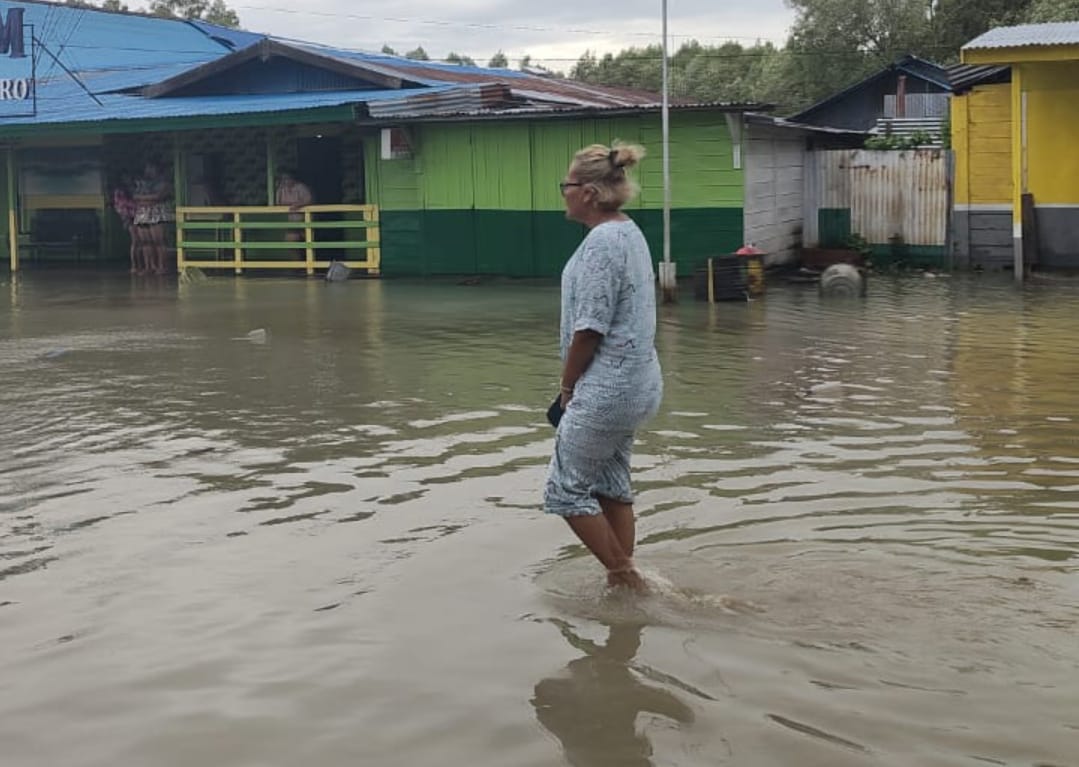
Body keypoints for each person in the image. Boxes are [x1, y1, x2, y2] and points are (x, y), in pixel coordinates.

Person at [544, 142, 663, 592]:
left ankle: (628, 578)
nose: (564, 193)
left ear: (590, 192)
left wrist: (568, 387)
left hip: (608, 387)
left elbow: (589, 330)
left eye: (567, 185)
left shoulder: (601, 243)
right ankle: (622, 587)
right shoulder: (628, 231)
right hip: (638, 381)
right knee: (611, 483)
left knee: (565, 491)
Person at [132, 162, 174, 275]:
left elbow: (158, 197)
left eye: (151, 168)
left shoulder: (164, 183)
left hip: (157, 214)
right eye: (147, 168)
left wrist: (145, 199)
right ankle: (149, 266)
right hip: (142, 214)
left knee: (159, 241)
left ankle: (162, 266)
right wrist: (147, 199)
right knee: (145, 242)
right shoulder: (142, 184)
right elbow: (135, 197)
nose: (149, 171)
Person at [275, 169, 313, 249]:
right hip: (292, 221)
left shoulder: (301, 187)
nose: (286, 181)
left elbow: (309, 199)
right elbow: (278, 203)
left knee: (308, 245)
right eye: (283, 179)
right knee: (291, 243)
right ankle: (297, 261)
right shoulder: (282, 190)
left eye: (287, 178)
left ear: (293, 178)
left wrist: (298, 205)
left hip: (304, 220)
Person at [111, 175, 139, 273]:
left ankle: (140, 265)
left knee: (140, 242)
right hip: (130, 217)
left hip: (137, 216)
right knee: (135, 242)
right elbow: (121, 205)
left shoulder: (135, 187)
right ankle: (135, 266)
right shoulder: (120, 192)